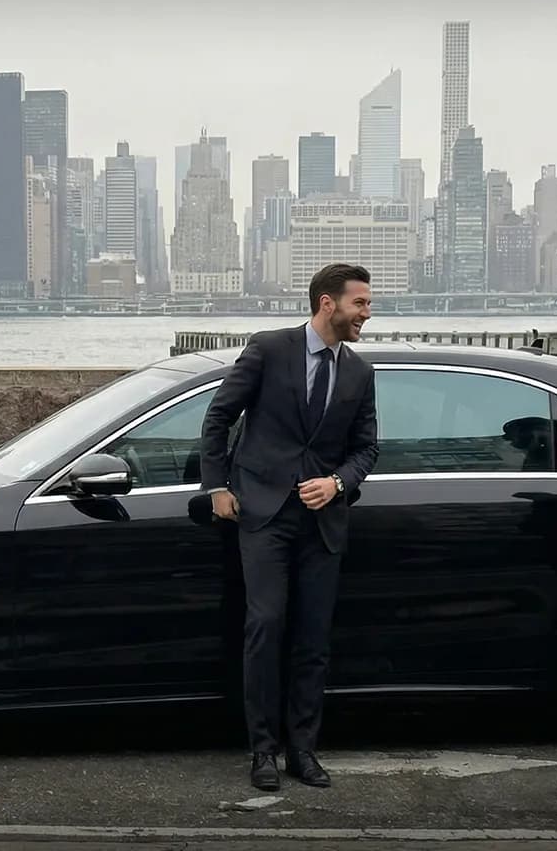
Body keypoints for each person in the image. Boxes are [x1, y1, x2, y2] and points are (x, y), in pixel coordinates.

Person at [199, 263, 379, 792]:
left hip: (323, 523)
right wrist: (218, 487)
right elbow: (218, 418)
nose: (366, 314)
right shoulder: (268, 349)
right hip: (263, 515)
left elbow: (367, 447)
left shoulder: (359, 372)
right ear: (328, 303)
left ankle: (304, 750)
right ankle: (263, 751)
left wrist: (338, 484)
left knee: (313, 639)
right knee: (265, 627)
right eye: (360, 304)